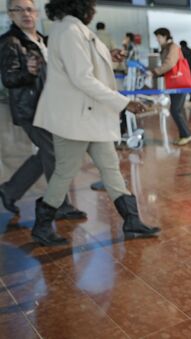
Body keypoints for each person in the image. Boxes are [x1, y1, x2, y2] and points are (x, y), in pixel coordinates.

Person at [32, 0, 160, 246]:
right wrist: (123, 103)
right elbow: (82, 78)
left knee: (110, 167)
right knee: (64, 172)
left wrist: (108, 58)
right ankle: (42, 226)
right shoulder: (69, 31)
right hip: (76, 118)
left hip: (88, 116)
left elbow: (82, 66)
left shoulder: (71, 28)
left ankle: (132, 221)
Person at [0, 0, 86, 221]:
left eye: (29, 9)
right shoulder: (10, 42)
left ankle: (9, 190)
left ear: (37, 13)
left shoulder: (44, 40)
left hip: (51, 107)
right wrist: (28, 73)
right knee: (54, 153)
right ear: (10, 14)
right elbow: (9, 79)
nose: (25, 14)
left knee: (45, 155)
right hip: (30, 109)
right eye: (18, 10)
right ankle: (60, 204)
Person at [152, 28, 191, 146]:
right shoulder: (166, 48)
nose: (157, 40)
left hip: (179, 82)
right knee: (178, 109)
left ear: (165, 36)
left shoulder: (173, 47)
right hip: (174, 82)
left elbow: (170, 63)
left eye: (159, 37)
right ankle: (184, 135)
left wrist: (156, 72)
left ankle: (186, 135)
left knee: (175, 110)